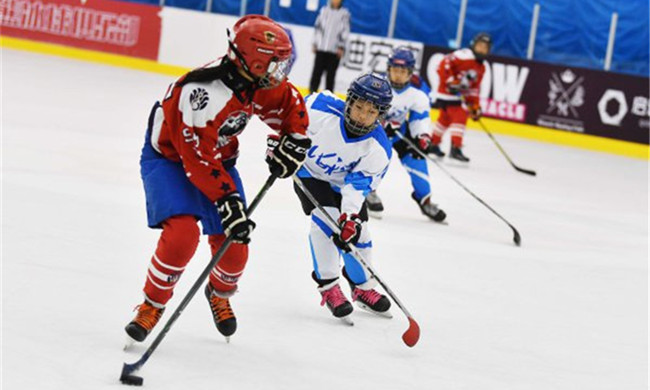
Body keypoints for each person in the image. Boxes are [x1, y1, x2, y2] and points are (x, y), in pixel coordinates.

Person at [124, 15, 311, 345]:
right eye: (274, 63)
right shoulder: (200, 92)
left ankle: (219, 292)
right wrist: (228, 200)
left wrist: (293, 138)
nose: (279, 72)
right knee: (182, 235)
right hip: (170, 160)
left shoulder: (256, 80)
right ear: (254, 61)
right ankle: (151, 305)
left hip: (217, 161)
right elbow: (196, 158)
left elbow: (289, 102)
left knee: (235, 246)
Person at [286, 73, 393, 322]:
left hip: (343, 186)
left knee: (359, 233)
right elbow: (289, 120)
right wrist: (282, 144)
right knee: (327, 221)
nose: (362, 115)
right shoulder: (318, 108)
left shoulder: (378, 149)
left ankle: (362, 288)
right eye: (358, 107)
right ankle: (329, 286)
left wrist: (351, 217)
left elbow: (357, 187)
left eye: (371, 111)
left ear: (380, 115)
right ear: (349, 101)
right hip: (309, 173)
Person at [365, 47, 447, 222]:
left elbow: (420, 118)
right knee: (376, 157)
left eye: (403, 71)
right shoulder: (377, 84)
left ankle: (425, 199)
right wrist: (379, 124)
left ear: (410, 72)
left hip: (399, 130)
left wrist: (422, 136)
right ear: (388, 69)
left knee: (417, 156)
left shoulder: (418, 92)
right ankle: (367, 190)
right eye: (395, 70)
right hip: (374, 131)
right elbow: (363, 111)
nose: (398, 75)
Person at [431, 32, 491, 162]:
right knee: (461, 114)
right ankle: (455, 148)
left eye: (485, 47)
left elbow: (473, 89)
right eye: (480, 45)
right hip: (447, 93)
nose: (482, 49)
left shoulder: (481, 67)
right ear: (473, 45)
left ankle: (433, 144)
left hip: (457, 95)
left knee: (445, 119)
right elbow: (443, 63)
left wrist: (475, 105)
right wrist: (450, 81)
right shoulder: (464, 55)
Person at [308, 0, 350, 93]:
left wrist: (341, 46)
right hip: (321, 48)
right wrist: (315, 42)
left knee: (330, 76)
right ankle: (311, 93)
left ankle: (328, 97)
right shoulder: (324, 10)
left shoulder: (344, 13)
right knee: (316, 73)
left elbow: (345, 30)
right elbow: (318, 27)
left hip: (334, 51)